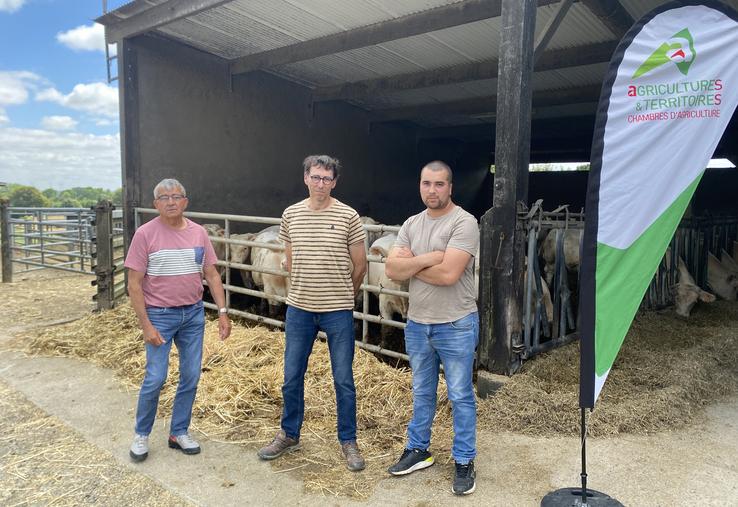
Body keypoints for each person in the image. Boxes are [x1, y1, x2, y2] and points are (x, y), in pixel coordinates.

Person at [257, 155, 368, 471]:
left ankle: (348, 440)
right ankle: (289, 433)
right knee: (292, 376)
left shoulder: (348, 216)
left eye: (327, 178)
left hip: (337, 311)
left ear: (334, 182)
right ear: (305, 177)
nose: (321, 183)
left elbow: (360, 265)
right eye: (315, 177)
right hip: (300, 309)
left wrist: (348, 296)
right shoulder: (291, 215)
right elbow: (290, 260)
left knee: (343, 378)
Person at [384, 161, 480, 495]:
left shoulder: (464, 223)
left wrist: (411, 264)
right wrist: (429, 258)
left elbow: (449, 275)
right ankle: (418, 449)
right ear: (420, 185)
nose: (432, 190)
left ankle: (464, 459)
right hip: (418, 324)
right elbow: (392, 270)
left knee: (459, 394)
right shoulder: (412, 223)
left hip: (455, 323)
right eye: (426, 183)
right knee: (422, 390)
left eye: (439, 184)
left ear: (450, 187)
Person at [125, 178, 231, 462]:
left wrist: (222, 312)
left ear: (185, 201)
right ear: (155, 204)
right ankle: (141, 434)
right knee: (156, 377)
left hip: (193, 314)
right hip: (159, 315)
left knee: (191, 375)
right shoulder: (145, 234)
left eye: (176, 196)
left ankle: (179, 431)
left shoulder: (198, 233)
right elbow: (134, 284)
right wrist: (146, 325)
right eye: (164, 197)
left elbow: (212, 275)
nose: (171, 202)